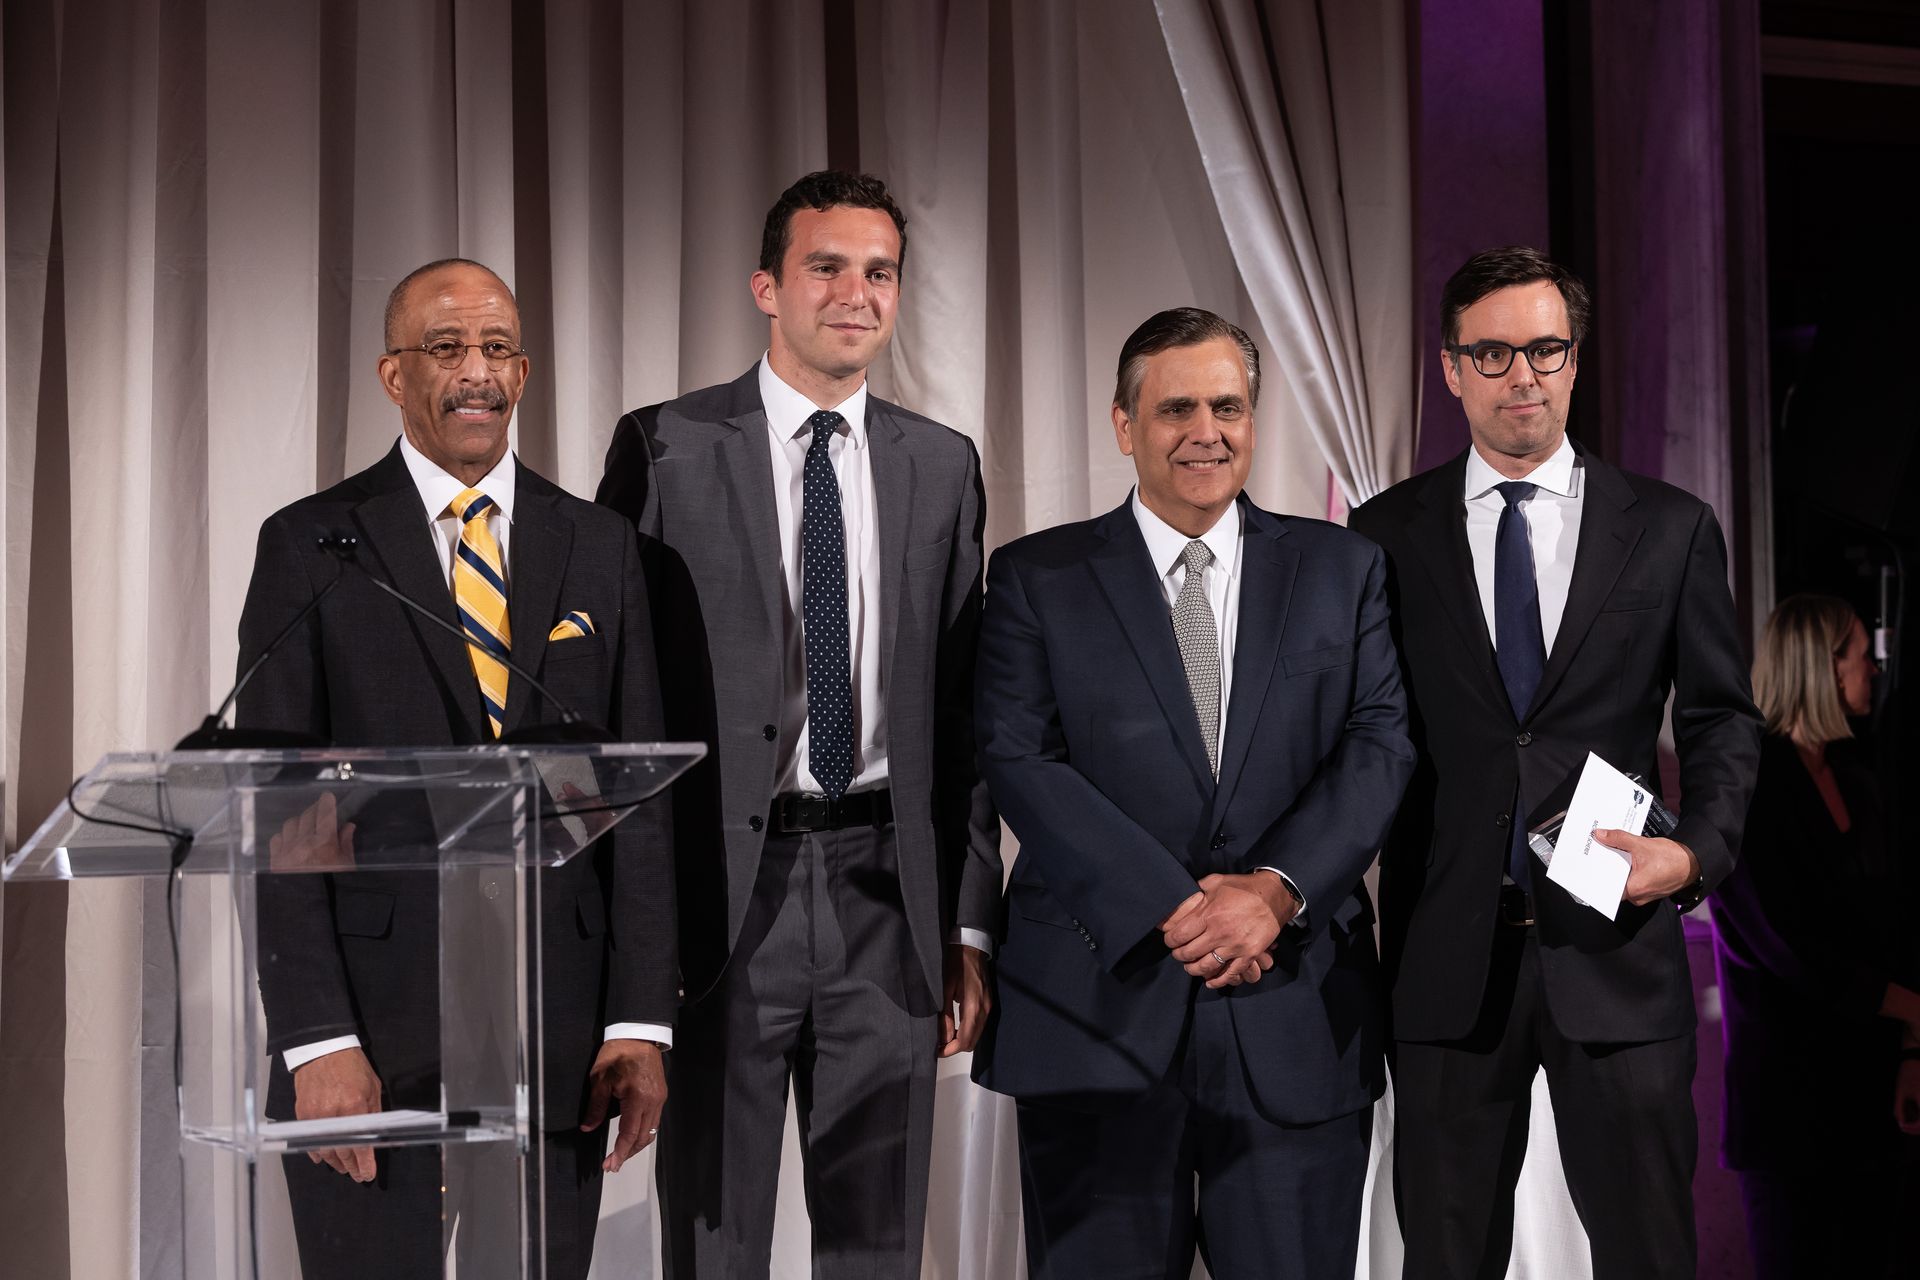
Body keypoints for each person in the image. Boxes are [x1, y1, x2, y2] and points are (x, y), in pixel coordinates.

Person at [595, 170, 1000, 1278]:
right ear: (766, 287)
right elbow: (614, 709)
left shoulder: (942, 462)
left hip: (889, 893)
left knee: (877, 1246)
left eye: (879, 273)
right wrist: (630, 952)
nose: (855, 293)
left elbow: (963, 715)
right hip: (722, 906)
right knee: (712, 1238)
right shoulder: (666, 446)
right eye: (827, 267)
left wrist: (967, 923)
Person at [236, 258, 674, 1280]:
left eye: (496, 349)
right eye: (445, 347)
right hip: (373, 1034)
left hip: (560, 1030)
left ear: (522, 371)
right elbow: (278, 809)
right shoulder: (311, 545)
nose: (475, 371)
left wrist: (637, 1018)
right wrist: (316, 1039)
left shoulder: (601, 547)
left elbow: (640, 801)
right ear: (393, 374)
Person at [969, 307, 1415, 1278]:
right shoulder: (1037, 576)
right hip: (1096, 1011)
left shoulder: (1346, 568)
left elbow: (1380, 743)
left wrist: (1276, 889)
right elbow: (1019, 758)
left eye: (1227, 405)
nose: (1204, 429)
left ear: (1255, 418)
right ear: (1125, 423)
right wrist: (1176, 907)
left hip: (1293, 1006)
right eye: (1176, 408)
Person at [1348, 245, 1763, 1280]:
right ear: (1450, 369)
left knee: (1649, 1254)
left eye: (1544, 348)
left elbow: (1722, 719)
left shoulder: (1669, 529)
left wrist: (1696, 855)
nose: (1520, 373)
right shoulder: (1381, 533)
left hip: (1616, 950)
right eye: (1491, 352)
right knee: (1446, 1259)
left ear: (1575, 361)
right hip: (1446, 963)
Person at [1709, 593, 1920, 1278]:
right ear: (1824, 668)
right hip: (1790, 1116)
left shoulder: (1859, 785)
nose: (1873, 671)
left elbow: (1893, 930)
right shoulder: (1750, 786)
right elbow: (1789, 949)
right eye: (1861, 656)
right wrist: (1911, 1008)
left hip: (1870, 1100)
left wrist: (1912, 1046)